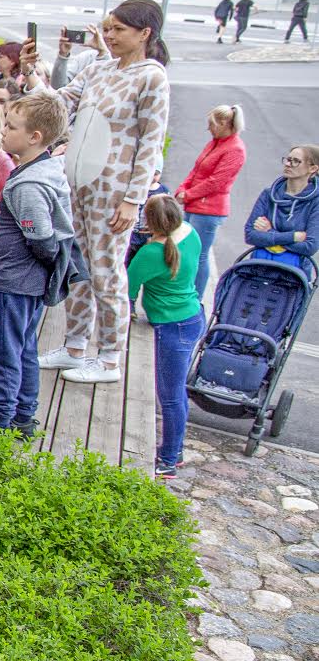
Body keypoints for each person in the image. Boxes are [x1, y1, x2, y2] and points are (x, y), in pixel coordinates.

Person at [39, 0, 171, 385]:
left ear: (144, 33)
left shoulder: (151, 77)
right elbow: (60, 102)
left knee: (107, 271)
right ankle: (75, 344)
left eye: (118, 30)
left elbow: (151, 142)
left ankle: (111, 356)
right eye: (108, 29)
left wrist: (134, 198)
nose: (109, 36)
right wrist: (34, 77)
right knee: (78, 265)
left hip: (113, 190)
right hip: (79, 184)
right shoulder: (99, 70)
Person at [0, 93, 73, 433]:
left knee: (1, 354)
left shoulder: (28, 183)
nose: (4, 132)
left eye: (11, 126)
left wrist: (33, 264)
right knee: (23, 348)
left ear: (35, 137)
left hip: (12, 282)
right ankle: (22, 414)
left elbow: (39, 236)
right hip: (24, 282)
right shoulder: (41, 170)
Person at [129, 195, 205, 480]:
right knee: (177, 393)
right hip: (193, 316)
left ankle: (169, 460)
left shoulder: (151, 254)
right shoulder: (191, 234)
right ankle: (176, 448)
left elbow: (127, 288)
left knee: (170, 397)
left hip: (172, 327)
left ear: (150, 223)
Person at [175, 105, 248, 297]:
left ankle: (195, 296)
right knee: (185, 251)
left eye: (212, 124)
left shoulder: (235, 149)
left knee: (198, 254)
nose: (209, 128)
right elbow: (197, 169)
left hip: (208, 210)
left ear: (224, 123)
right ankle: (184, 290)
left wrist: (189, 194)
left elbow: (216, 182)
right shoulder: (215, 142)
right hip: (194, 204)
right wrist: (183, 188)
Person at [244, 144, 319, 267]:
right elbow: (250, 235)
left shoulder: (316, 201)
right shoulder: (268, 194)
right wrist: (294, 236)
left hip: (293, 274)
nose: (288, 164)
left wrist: (268, 232)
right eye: (288, 159)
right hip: (259, 268)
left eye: (296, 161)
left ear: (312, 169)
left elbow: (309, 247)